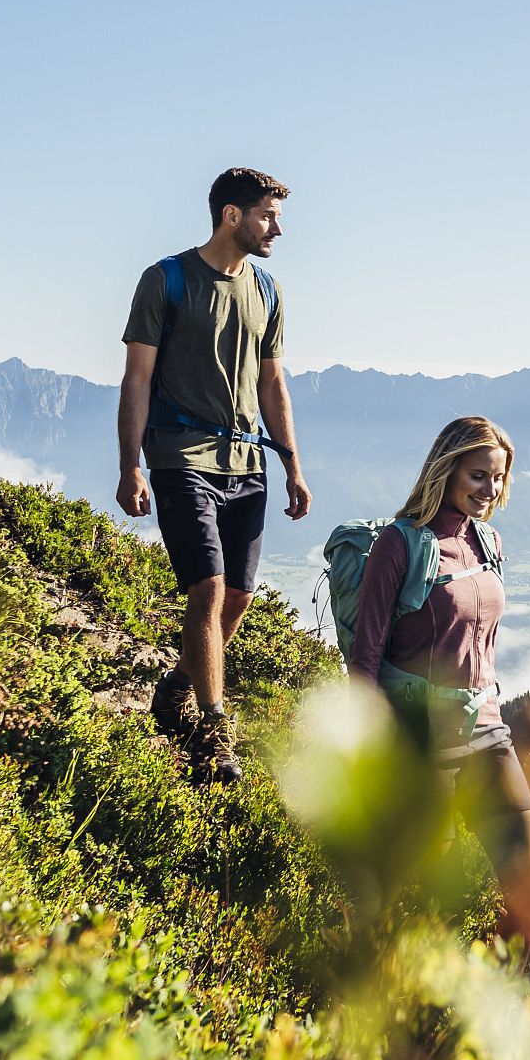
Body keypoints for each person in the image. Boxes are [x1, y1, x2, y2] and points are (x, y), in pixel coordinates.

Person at [116, 167, 314, 784]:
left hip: (248, 464)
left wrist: (292, 465)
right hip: (181, 458)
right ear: (232, 215)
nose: (277, 229)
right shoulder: (166, 280)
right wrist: (130, 466)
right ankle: (214, 733)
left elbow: (272, 383)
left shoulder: (269, 291)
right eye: (267, 216)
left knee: (236, 603)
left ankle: (177, 685)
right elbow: (137, 379)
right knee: (205, 593)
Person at [347, 416, 530, 938]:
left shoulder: (489, 541)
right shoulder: (401, 543)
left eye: (498, 477)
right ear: (447, 469)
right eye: (479, 475)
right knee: (434, 903)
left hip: (485, 729)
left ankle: (500, 1005)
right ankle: (419, 1011)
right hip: (419, 740)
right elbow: (366, 656)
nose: (490, 489)